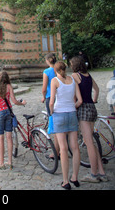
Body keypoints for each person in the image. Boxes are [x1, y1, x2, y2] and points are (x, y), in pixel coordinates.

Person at [71, 56, 108, 183]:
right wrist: (94, 100)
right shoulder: (88, 75)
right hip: (92, 108)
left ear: (74, 65)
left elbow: (76, 96)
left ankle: (93, 174)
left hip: (83, 110)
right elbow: (96, 90)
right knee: (91, 141)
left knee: (89, 143)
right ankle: (101, 172)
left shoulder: (75, 76)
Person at [49, 61, 83, 190]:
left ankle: (65, 181)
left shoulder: (55, 80)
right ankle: (75, 177)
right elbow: (79, 100)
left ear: (56, 70)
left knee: (63, 149)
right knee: (75, 148)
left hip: (59, 114)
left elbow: (51, 101)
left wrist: (51, 112)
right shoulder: (72, 79)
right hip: (72, 114)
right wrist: (72, 107)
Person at [0, 70, 26, 170]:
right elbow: (14, 101)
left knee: (0, 138)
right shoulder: (9, 87)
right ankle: (9, 162)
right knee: (9, 137)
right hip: (8, 112)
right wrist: (22, 103)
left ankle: (1, 163)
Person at [41, 53, 60, 157]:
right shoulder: (59, 69)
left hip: (50, 98)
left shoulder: (47, 71)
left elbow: (44, 88)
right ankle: (63, 148)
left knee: (56, 126)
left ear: (48, 60)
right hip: (60, 98)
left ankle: (56, 152)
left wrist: (43, 97)